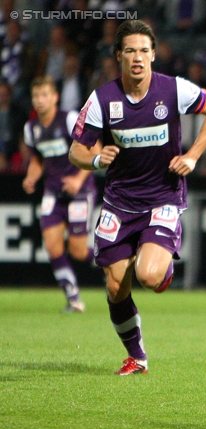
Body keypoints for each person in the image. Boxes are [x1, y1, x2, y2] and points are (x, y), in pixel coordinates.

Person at [68, 20, 206, 375]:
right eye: (129, 51)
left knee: (150, 277)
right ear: (118, 57)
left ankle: (159, 260)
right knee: (114, 286)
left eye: (143, 50)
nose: (137, 58)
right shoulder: (102, 99)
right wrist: (95, 159)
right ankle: (137, 357)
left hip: (162, 200)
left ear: (153, 54)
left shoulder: (173, 90)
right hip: (119, 203)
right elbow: (76, 151)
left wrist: (193, 155)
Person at [22, 76, 97, 313]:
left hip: (80, 191)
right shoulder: (31, 129)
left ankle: (112, 258)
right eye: (36, 96)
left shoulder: (69, 119)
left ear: (55, 97)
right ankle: (73, 297)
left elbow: (95, 149)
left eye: (45, 95)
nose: (40, 100)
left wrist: (78, 178)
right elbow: (38, 158)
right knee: (53, 247)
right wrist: (32, 176)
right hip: (53, 192)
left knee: (77, 251)